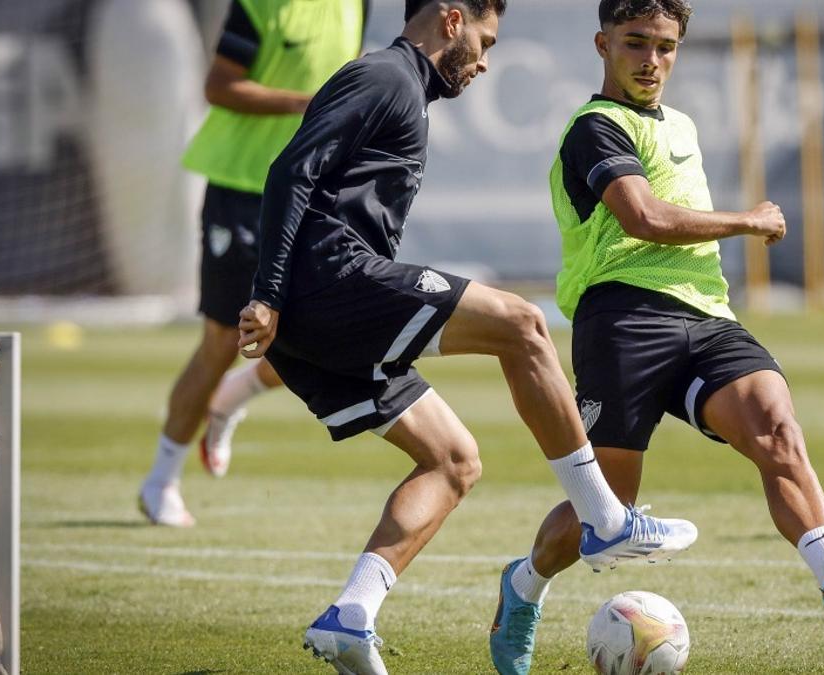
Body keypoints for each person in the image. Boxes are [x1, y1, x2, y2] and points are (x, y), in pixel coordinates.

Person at [234, 1, 699, 672]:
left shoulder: (406, 92)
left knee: (453, 461)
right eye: (485, 40)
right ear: (452, 21)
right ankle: (603, 517)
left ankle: (350, 616)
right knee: (524, 324)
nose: (483, 61)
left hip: (320, 314)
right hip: (328, 282)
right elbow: (290, 171)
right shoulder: (384, 76)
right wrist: (268, 293)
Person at [487, 2, 824, 672]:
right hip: (621, 315)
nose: (650, 61)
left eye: (664, 47)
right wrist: (748, 220)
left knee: (776, 425)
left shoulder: (681, 124)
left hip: (707, 315)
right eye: (635, 43)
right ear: (602, 43)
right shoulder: (595, 127)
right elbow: (644, 217)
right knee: (609, 507)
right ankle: (523, 585)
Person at [139, 0, 370, 527]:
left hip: (311, 192)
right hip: (242, 190)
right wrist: (307, 103)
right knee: (224, 340)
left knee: (324, 332)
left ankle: (232, 397)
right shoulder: (260, 5)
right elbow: (219, 86)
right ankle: (160, 481)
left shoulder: (357, 3)